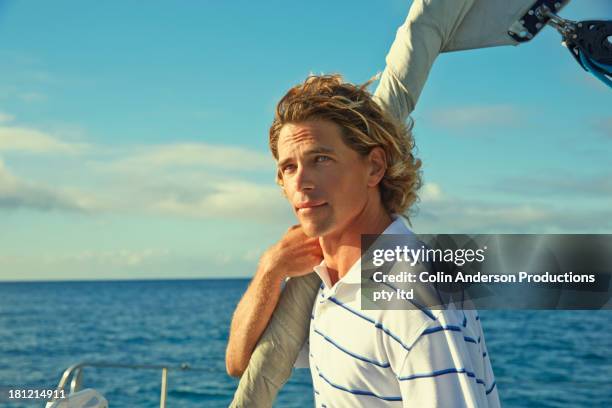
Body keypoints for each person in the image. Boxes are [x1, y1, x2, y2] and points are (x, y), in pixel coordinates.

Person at [225, 0, 550, 406]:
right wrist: (271, 269)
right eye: (288, 168)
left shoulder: (412, 295)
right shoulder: (332, 280)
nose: (301, 183)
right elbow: (241, 362)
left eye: (321, 160)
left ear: (374, 167)